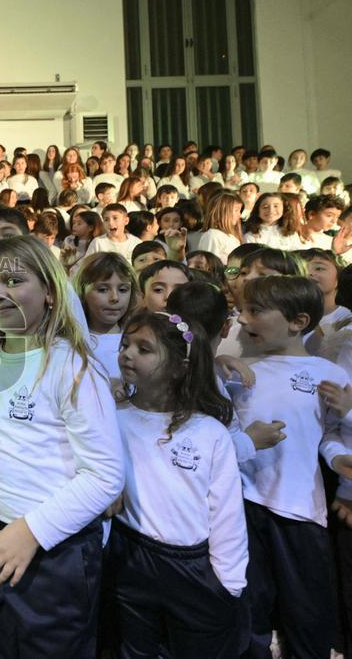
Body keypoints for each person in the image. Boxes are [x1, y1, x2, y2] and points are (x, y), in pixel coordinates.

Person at [0, 235, 123, 656]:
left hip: (55, 548)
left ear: (49, 292)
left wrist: (32, 532)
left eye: (14, 281)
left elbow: (105, 476)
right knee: (0, 645)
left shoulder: (73, 366)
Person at [109, 311, 247, 657]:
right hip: (129, 555)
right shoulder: (112, 418)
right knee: (134, 648)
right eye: (125, 344)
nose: (127, 353)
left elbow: (226, 510)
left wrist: (229, 583)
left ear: (178, 367)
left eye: (144, 349)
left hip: (192, 565)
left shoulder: (209, 432)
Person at [228, 275, 352, 657]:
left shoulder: (328, 373)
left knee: (306, 613)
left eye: (255, 311)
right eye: (242, 310)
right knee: (250, 611)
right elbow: (224, 436)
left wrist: (338, 457)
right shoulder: (238, 372)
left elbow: (329, 435)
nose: (244, 319)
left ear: (298, 321)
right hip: (245, 508)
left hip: (300, 508)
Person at [75, 252, 138, 381]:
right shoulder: (71, 342)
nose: (114, 298)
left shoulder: (137, 341)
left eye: (123, 290)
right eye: (103, 289)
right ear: (82, 292)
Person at [197, 191, 245, 263]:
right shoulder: (212, 235)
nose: (240, 215)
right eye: (236, 210)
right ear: (222, 211)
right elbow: (209, 266)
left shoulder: (233, 237)